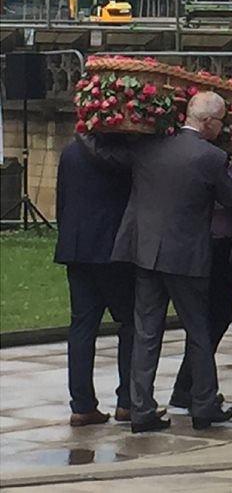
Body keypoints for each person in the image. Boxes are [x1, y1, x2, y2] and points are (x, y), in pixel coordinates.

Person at [78, 91, 232, 432]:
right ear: (208, 122)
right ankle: (204, 404)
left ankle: (141, 409)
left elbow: (106, 155)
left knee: (147, 332)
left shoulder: (150, 147)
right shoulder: (211, 156)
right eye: (222, 121)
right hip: (187, 256)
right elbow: (230, 198)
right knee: (198, 330)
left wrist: (85, 129)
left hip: (146, 252)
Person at [55, 136, 141, 426]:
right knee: (131, 323)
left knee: (82, 326)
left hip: (78, 248)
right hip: (114, 249)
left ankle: (82, 405)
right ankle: (128, 402)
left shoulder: (71, 150)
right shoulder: (127, 155)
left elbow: (63, 197)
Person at [169, 142, 232, 409]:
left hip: (215, 246)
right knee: (211, 320)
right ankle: (191, 388)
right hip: (213, 248)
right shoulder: (215, 165)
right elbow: (230, 196)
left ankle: (189, 385)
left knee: (210, 320)